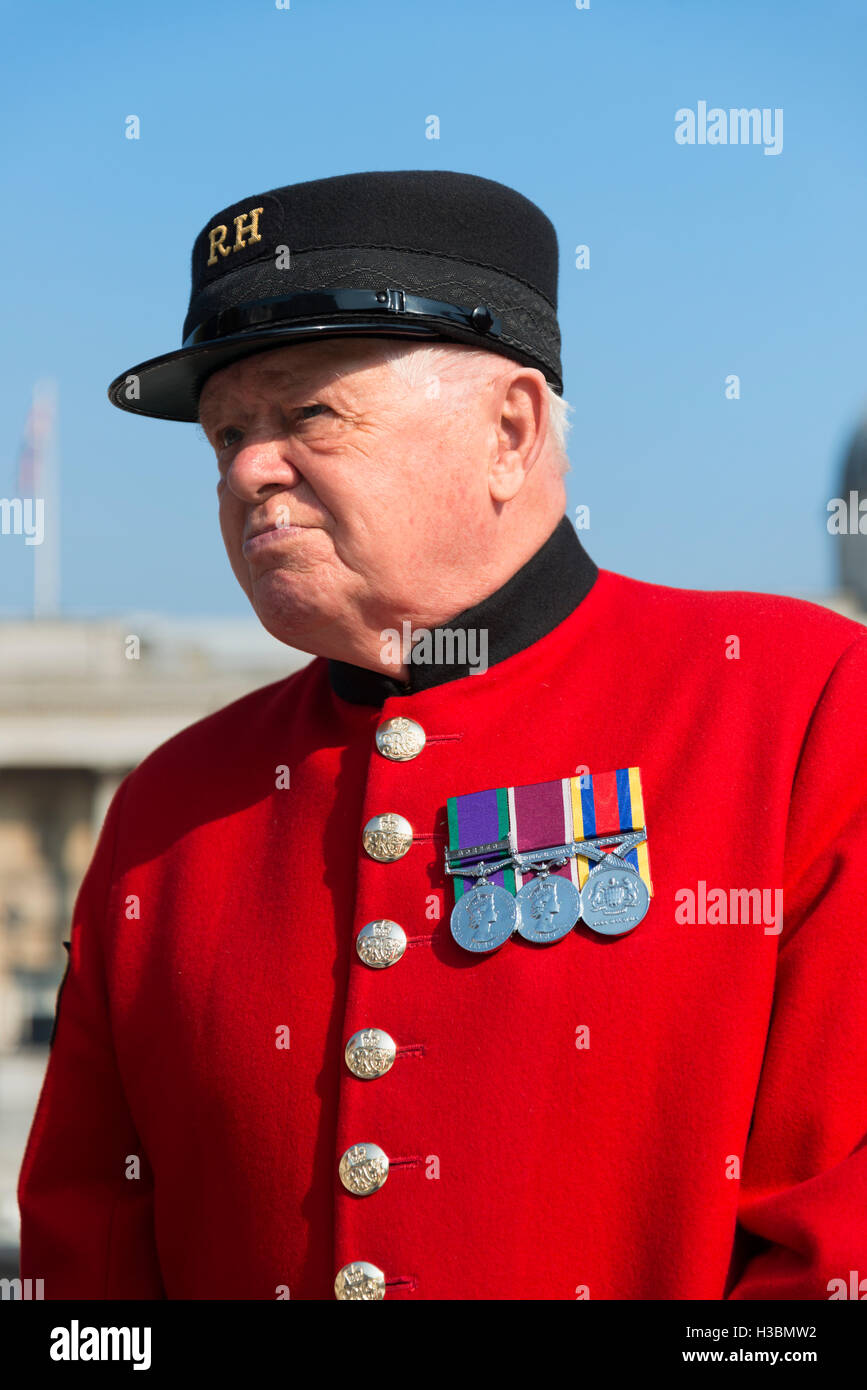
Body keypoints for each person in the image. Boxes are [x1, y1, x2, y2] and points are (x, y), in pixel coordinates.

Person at [18, 170, 867, 1301]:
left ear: (510, 431)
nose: (245, 469)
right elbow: (92, 1276)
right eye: (225, 434)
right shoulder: (168, 810)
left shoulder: (803, 709)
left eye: (305, 414)